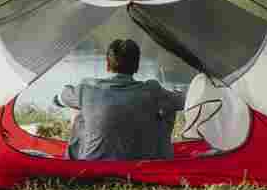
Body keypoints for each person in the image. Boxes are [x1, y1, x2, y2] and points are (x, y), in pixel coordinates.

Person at [53, 38, 185, 161]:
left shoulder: (86, 88)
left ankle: (72, 157)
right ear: (137, 66)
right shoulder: (152, 90)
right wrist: (174, 94)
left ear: (107, 65)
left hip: (93, 159)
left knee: (78, 110)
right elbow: (183, 101)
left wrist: (64, 95)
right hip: (145, 157)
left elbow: (60, 99)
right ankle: (163, 154)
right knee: (169, 105)